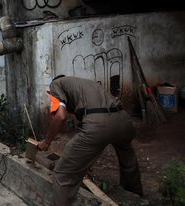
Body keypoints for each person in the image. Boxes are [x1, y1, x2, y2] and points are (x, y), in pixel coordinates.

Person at [37, 75, 143, 205]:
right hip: (124, 121)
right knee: (128, 159)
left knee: (63, 173)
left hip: (100, 126)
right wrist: (84, 162)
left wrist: (47, 141)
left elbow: (60, 116)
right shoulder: (86, 83)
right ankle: (136, 198)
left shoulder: (55, 84)